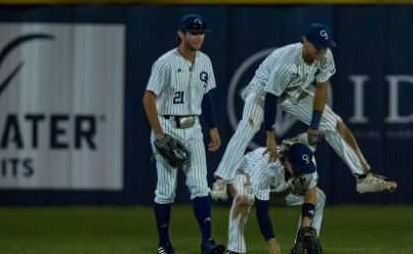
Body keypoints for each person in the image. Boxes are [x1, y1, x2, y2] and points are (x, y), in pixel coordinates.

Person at [212, 22, 397, 201]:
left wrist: (315, 125)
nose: (321, 50)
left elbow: (322, 87)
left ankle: (363, 177)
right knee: (248, 127)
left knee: (335, 123)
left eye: (324, 46)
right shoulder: (288, 63)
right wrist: (269, 135)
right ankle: (221, 179)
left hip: (293, 91)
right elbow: (270, 97)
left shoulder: (325, 56)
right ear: (304, 41)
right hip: (262, 89)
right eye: (317, 46)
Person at [142, 14, 225, 254]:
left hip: (194, 128)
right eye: (193, 32)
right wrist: (158, 134)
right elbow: (148, 99)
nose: (198, 37)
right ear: (181, 34)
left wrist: (213, 127)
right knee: (166, 190)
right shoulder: (165, 63)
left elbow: (206, 96)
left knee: (200, 186)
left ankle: (207, 243)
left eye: (201, 33)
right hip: (167, 126)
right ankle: (164, 244)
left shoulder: (205, 61)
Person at [225, 134, 325, 254]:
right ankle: (234, 249)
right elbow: (262, 212)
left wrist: (305, 228)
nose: (303, 172)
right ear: (287, 163)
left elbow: (311, 191)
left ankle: (301, 248)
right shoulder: (267, 169)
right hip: (246, 176)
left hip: (278, 189)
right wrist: (271, 242)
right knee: (244, 199)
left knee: (319, 197)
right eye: (299, 169)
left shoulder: (307, 161)